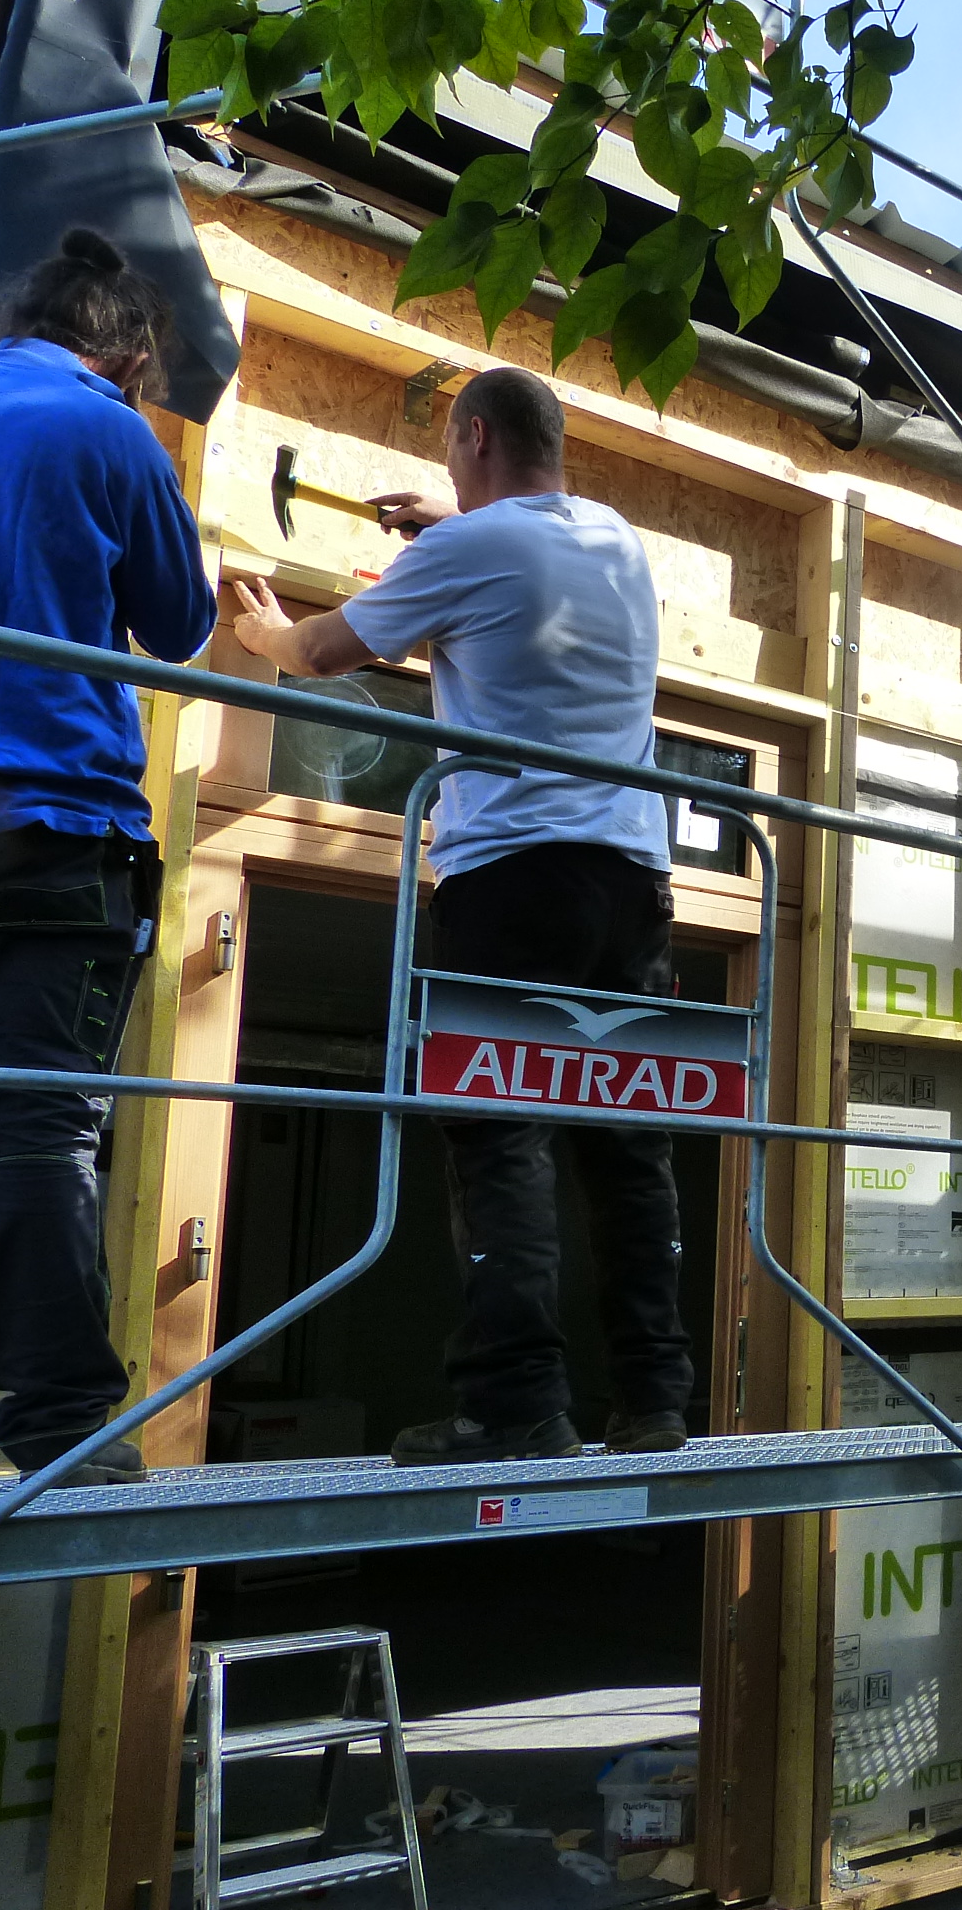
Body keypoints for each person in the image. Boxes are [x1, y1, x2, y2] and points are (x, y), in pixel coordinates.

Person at [229, 366, 693, 1465]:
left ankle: (516, 1403)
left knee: (498, 1135)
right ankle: (654, 1400)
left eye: (450, 448)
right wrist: (453, 522)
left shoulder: (472, 548)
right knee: (628, 1145)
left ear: (474, 436)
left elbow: (329, 652)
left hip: (514, 881)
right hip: (633, 885)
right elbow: (522, 563)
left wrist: (261, 634)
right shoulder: (617, 542)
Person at [0, 230, 215, 1487]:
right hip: (47, 821)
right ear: (132, 357)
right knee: (45, 1126)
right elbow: (181, 624)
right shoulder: (109, 430)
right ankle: (54, 1429)